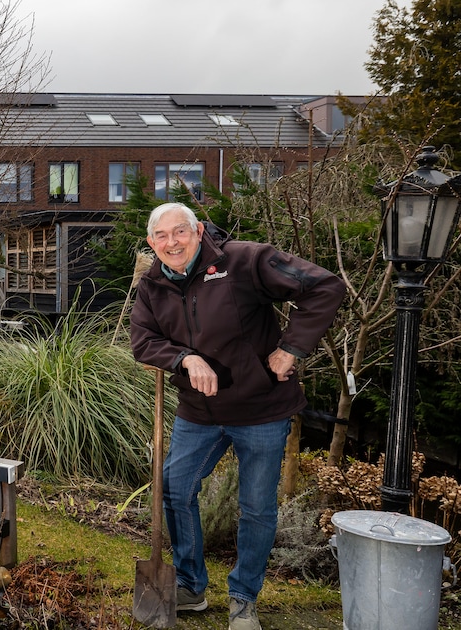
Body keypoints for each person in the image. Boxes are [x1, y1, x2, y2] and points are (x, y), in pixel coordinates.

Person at [130, 202, 345, 630]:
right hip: (199, 411)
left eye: (180, 232)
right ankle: (191, 585)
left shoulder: (245, 260)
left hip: (261, 409)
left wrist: (292, 349)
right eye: (162, 236)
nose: (172, 243)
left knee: (256, 508)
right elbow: (143, 341)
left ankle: (244, 599)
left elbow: (325, 287)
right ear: (152, 242)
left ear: (198, 231)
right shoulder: (152, 284)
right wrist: (186, 359)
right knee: (174, 489)